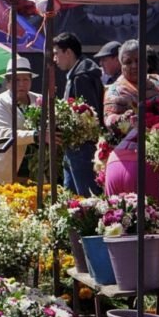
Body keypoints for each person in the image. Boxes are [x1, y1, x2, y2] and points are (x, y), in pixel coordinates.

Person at [52, 32, 103, 196]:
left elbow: (88, 116)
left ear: (68, 52)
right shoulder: (77, 75)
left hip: (82, 147)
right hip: (74, 146)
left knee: (85, 198)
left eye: (56, 53)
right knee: (71, 197)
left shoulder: (81, 77)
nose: (54, 59)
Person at [0, 57, 41, 190]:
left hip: (32, 169)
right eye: (16, 80)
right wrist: (37, 135)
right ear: (8, 83)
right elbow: (6, 134)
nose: (22, 84)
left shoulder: (39, 100)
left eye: (26, 79)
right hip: (3, 168)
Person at [104, 40, 159, 130]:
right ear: (121, 66)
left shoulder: (158, 80)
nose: (134, 66)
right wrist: (124, 119)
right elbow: (109, 120)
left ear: (147, 63)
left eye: (138, 60)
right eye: (128, 62)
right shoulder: (115, 91)